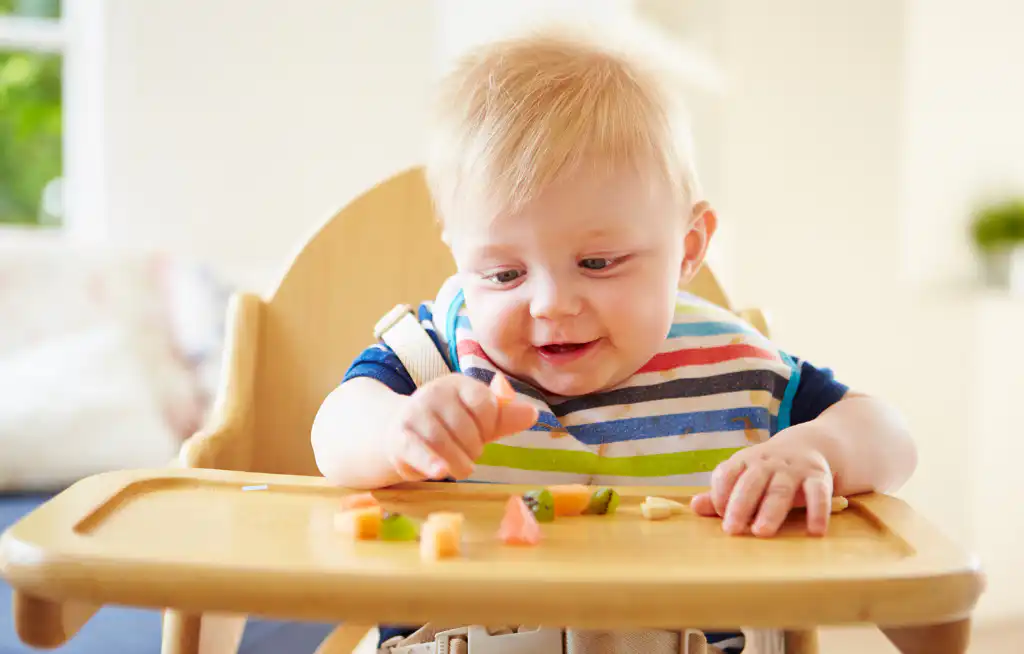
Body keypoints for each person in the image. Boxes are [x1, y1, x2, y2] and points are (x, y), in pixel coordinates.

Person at [312, 21, 917, 654]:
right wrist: (399, 431)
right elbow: (334, 434)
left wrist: (819, 448)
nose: (550, 303)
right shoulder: (434, 360)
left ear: (688, 250)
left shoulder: (735, 373)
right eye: (504, 273)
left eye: (598, 263)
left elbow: (891, 438)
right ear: (459, 259)